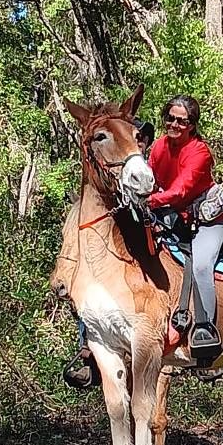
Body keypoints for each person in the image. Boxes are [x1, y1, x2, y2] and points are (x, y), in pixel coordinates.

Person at [62, 117, 155, 390]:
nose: (140, 142)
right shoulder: (117, 161)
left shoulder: (148, 160)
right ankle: (87, 348)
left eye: (142, 137)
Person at [148, 95, 223, 352]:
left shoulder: (200, 152)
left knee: (202, 265)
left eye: (181, 121)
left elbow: (182, 190)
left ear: (192, 125)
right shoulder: (159, 147)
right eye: (169, 118)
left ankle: (206, 329)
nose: (173, 124)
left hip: (205, 222)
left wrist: (151, 201)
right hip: (171, 217)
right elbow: (150, 178)